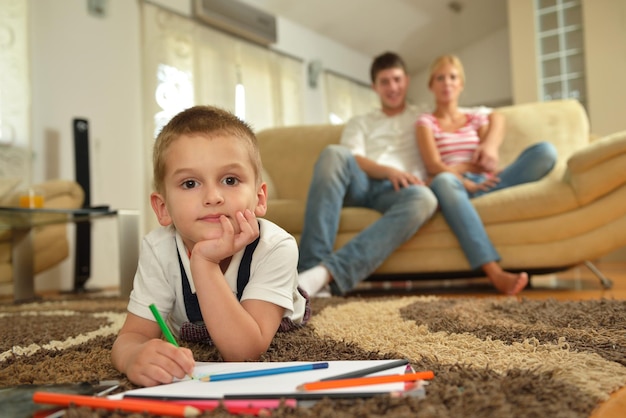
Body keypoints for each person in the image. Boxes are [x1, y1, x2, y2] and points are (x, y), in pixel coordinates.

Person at [111, 105, 309, 387]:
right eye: (190, 183)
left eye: (230, 180)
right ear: (163, 207)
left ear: (259, 198)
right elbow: (131, 336)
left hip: (269, 317)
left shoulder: (275, 246)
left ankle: (302, 283)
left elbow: (244, 352)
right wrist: (133, 356)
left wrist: (203, 262)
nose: (213, 197)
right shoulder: (159, 248)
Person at [297, 52, 438, 298]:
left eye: (397, 79)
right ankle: (307, 270)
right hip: (360, 183)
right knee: (334, 153)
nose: (392, 87)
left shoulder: (424, 116)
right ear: (375, 86)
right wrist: (389, 171)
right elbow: (354, 158)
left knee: (426, 199)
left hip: (402, 192)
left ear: (406, 80)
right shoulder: (361, 121)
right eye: (385, 81)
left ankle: (322, 275)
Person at [416, 54, 558, 295]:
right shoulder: (426, 122)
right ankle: (494, 272)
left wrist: (483, 160)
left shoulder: (475, 118)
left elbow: (485, 161)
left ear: (461, 84)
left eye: (453, 77)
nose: (447, 83)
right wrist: (462, 175)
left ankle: (466, 200)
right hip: (452, 188)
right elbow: (433, 165)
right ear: (431, 85)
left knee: (545, 151)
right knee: (443, 180)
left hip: (486, 184)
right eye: (440, 78)